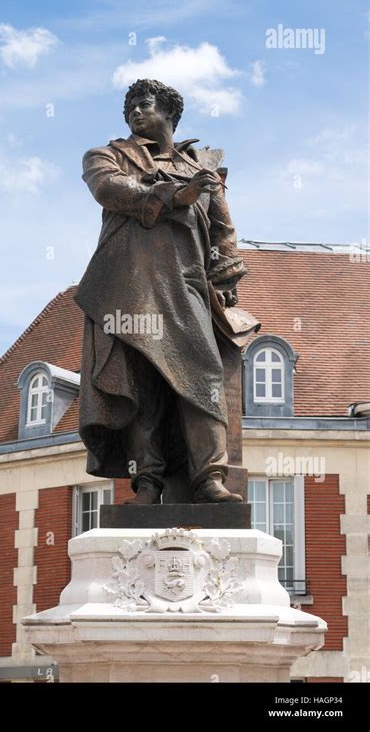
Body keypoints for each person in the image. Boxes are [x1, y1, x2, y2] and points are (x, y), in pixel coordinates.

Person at [74, 79, 248, 504]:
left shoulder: (201, 169)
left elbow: (224, 233)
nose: (134, 112)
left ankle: (209, 477)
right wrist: (172, 195)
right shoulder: (108, 155)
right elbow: (109, 189)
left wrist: (224, 280)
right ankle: (147, 481)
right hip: (128, 287)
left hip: (185, 285)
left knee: (202, 378)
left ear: (169, 112)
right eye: (129, 106)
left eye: (144, 104)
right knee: (142, 384)